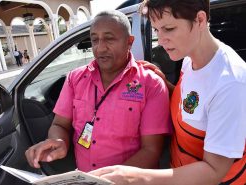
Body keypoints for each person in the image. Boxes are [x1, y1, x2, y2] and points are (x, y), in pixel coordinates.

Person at [90, 0, 246, 184]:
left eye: (169, 29)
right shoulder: (190, 58)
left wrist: (135, 176)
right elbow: (191, 105)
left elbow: (214, 170)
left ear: (200, 20)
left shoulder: (231, 82)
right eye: (157, 30)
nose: (161, 40)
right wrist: (164, 84)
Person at [25, 10, 172, 172]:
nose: (100, 48)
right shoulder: (75, 78)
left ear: (129, 42)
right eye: (95, 40)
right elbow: (59, 124)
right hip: (84, 177)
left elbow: (151, 150)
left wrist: (107, 179)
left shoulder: (151, 84)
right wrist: (59, 141)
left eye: (109, 39)